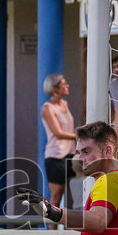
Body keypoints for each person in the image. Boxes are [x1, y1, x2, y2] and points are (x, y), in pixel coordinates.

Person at [40, 74, 76, 211]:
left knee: (78, 191)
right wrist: (78, 136)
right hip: (55, 156)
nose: (67, 86)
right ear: (55, 88)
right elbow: (58, 133)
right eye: (64, 84)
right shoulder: (47, 108)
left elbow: (67, 129)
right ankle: (51, 231)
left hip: (71, 155)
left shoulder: (64, 104)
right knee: (56, 195)